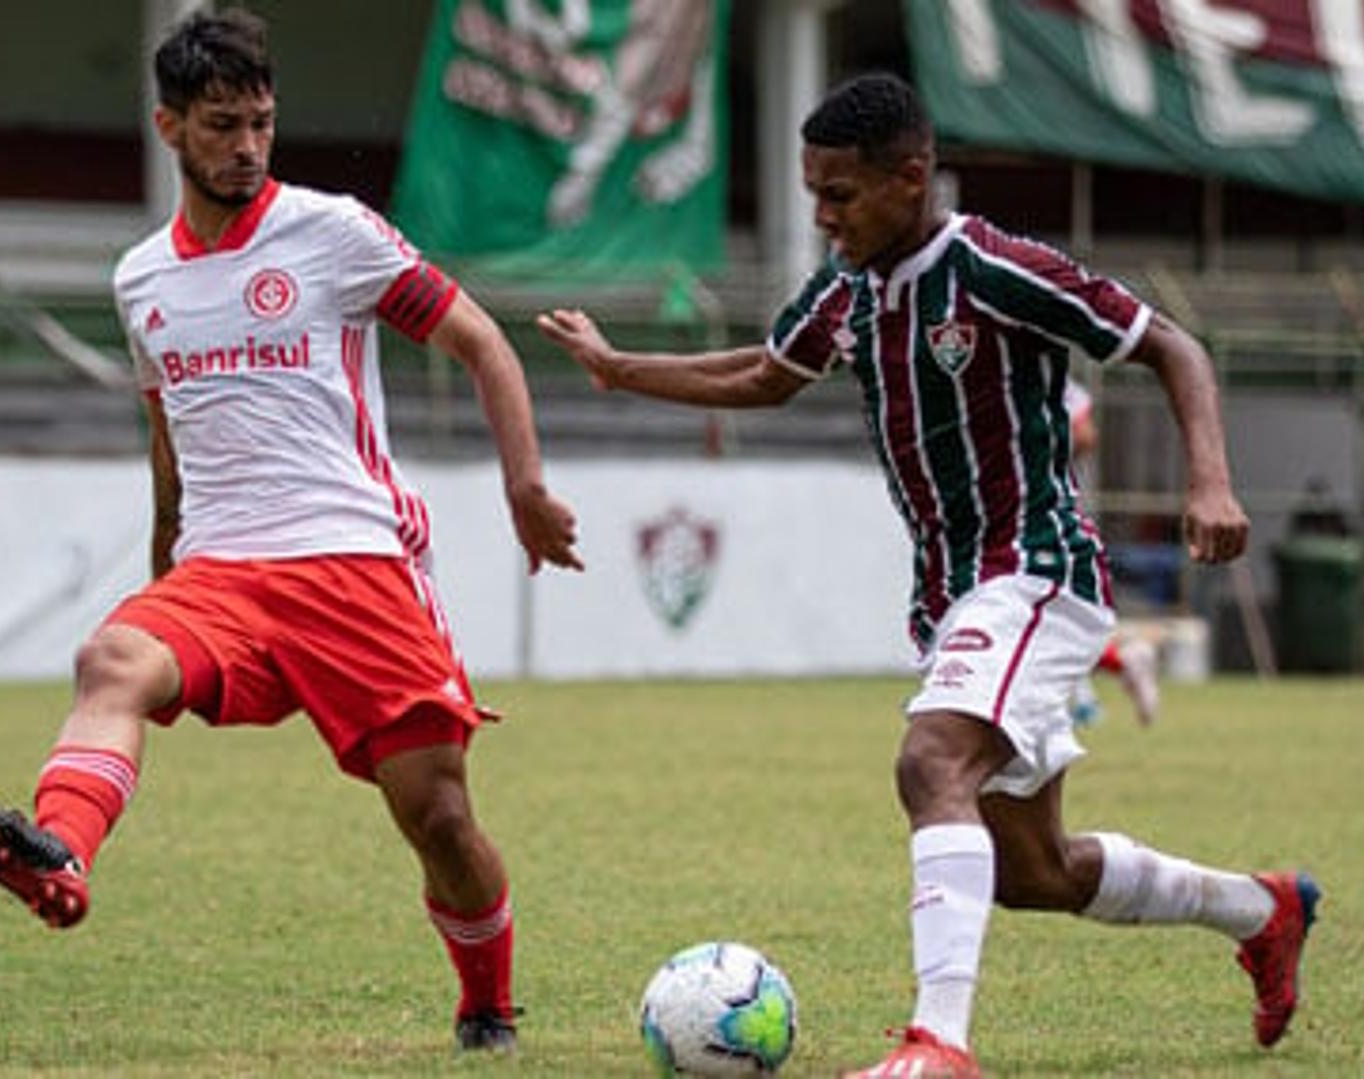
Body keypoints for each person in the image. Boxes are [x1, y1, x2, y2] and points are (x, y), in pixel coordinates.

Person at [538, 73, 1319, 1076]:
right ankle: (1263, 909)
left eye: (840, 194)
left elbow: (1171, 345)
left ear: (911, 178)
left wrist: (1210, 481)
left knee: (929, 763)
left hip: (1036, 568)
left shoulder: (996, 268)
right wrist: (621, 367)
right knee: (1031, 869)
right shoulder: (850, 288)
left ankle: (939, 1044)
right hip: (955, 595)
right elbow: (768, 373)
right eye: (813, 192)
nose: (822, 215)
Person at [0, 8, 581, 1053]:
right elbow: (168, 440)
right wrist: (163, 572)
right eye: (224, 125)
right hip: (222, 574)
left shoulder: (334, 232)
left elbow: (480, 341)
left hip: (353, 562)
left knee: (440, 817)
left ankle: (486, 1005)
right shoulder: (141, 279)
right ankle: (60, 853)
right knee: (109, 657)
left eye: (261, 124)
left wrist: (525, 486)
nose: (246, 146)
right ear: (169, 127)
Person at [1062, 377, 1160, 727]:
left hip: (1044, 517)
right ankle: (1092, 690)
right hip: (1019, 516)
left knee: (1045, 617)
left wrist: (1041, 449)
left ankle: (1108, 674)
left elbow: (1086, 434)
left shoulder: (1047, 374)